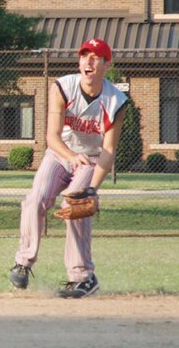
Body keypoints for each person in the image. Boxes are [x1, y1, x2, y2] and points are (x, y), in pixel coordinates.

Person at [9, 38, 128, 298]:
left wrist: (92, 190)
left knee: (74, 206)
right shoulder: (63, 87)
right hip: (60, 154)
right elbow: (52, 136)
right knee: (35, 200)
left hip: (92, 159)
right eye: (85, 55)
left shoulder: (115, 101)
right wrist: (71, 156)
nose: (88, 61)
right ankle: (23, 262)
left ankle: (83, 278)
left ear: (106, 64)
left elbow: (108, 152)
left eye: (96, 57)